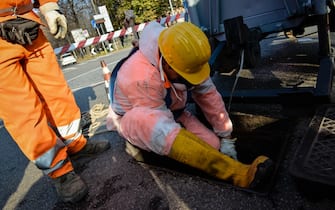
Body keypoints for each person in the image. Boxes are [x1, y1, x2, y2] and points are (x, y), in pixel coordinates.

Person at [106, 21, 274, 189]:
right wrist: (178, 142)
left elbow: (208, 94)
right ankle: (238, 174)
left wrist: (226, 136)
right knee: (153, 127)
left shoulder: (182, 53)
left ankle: (221, 157)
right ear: (166, 64)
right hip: (132, 119)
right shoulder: (140, 78)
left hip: (174, 111)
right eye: (184, 74)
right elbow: (160, 127)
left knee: (214, 146)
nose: (190, 79)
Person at [0, 0, 110, 203]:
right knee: (23, 113)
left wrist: (49, 6)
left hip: (27, 23)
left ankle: (76, 145)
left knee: (56, 93)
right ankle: (60, 171)